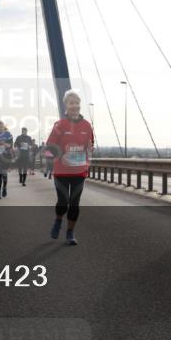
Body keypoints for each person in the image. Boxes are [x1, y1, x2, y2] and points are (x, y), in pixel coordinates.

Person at [45, 91, 94, 245]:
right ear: (66, 106)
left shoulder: (87, 125)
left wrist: (90, 149)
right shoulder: (60, 125)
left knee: (74, 202)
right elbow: (49, 147)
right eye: (71, 103)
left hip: (79, 170)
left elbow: (90, 146)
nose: (75, 106)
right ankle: (58, 220)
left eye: (76, 103)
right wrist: (56, 158)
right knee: (63, 201)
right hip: (61, 171)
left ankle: (70, 233)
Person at [0, 121, 14, 198]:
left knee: (4, 174)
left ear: (3, 127)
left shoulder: (8, 134)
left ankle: (4, 187)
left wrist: (3, 143)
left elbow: (10, 146)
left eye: (1, 127)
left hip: (6, 156)